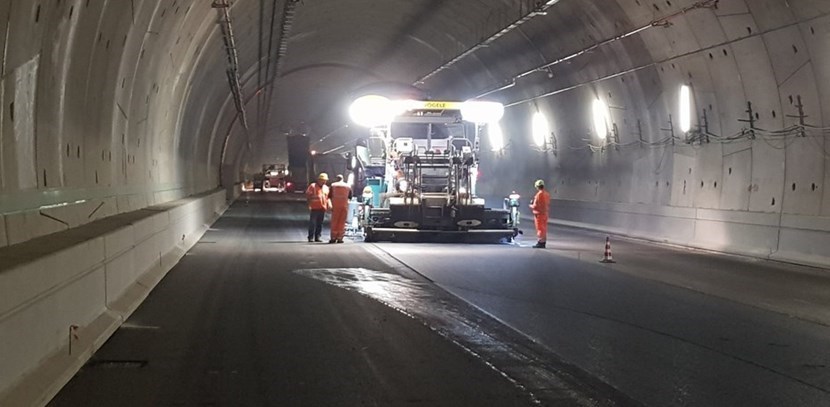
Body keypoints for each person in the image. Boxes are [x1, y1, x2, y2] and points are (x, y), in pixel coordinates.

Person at [306, 173, 330, 242]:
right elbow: (308, 196)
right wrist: (309, 204)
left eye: (325, 180)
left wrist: (328, 206)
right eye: (323, 180)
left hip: (322, 208)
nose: (324, 182)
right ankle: (310, 237)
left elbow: (327, 198)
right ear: (319, 180)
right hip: (314, 208)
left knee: (320, 224)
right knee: (312, 223)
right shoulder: (313, 186)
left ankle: (317, 237)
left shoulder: (326, 188)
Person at [328, 174, 352, 243]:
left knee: (334, 222)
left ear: (336, 179)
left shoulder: (333, 185)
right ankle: (340, 238)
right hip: (344, 206)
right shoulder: (347, 186)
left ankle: (333, 238)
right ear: (343, 179)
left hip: (335, 206)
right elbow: (350, 197)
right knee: (342, 222)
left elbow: (329, 196)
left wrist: (330, 205)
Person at [529, 179, 550, 248]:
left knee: (540, 229)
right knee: (544, 228)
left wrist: (531, 206)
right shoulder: (546, 194)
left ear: (537, 186)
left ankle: (540, 242)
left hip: (539, 214)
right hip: (545, 214)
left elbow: (536, 206)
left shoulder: (539, 194)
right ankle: (543, 241)